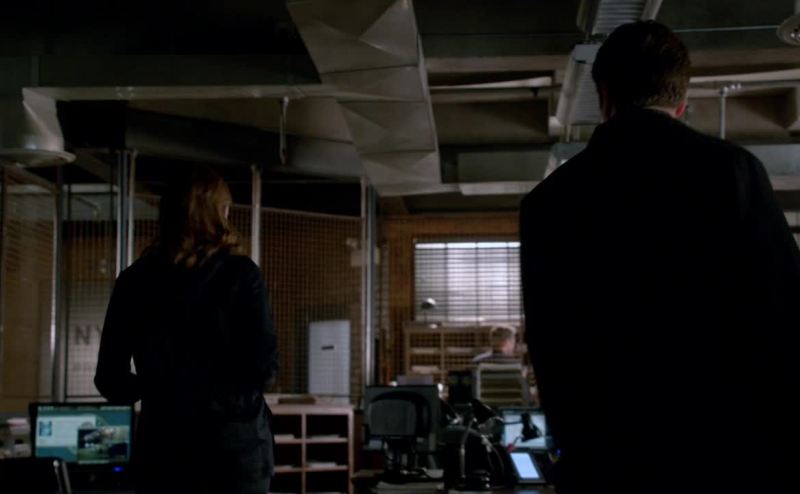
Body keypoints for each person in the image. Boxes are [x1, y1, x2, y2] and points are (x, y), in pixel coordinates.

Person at [520, 21, 800, 494]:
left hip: (604, 461)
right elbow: (784, 316)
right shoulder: (732, 173)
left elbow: (550, 344)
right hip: (725, 455)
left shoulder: (549, 203)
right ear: (682, 101)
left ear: (604, 97)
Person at [95, 167, 278, 494]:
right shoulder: (241, 274)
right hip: (233, 451)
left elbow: (110, 379)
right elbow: (264, 369)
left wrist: (158, 387)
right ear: (217, 212)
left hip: (163, 448)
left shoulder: (134, 281)